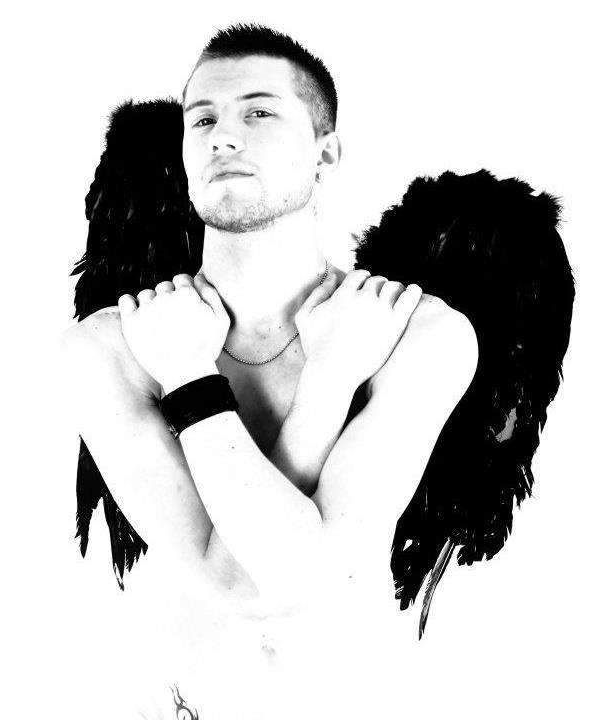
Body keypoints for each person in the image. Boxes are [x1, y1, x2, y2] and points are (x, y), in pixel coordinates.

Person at [61, 23, 478, 719]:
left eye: (258, 112)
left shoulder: (419, 333)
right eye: (202, 119)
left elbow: (301, 579)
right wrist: (309, 381)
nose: (223, 136)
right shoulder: (111, 346)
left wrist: (324, 372)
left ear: (325, 151)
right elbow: (242, 586)